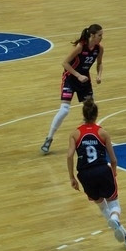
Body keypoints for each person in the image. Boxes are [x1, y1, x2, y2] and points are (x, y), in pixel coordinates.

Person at [67, 98, 126, 249]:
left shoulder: (75, 134)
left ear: (83, 114)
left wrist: (72, 177)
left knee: (103, 207)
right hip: (102, 170)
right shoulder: (103, 133)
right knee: (114, 206)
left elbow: (69, 156)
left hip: (84, 174)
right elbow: (114, 159)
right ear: (96, 115)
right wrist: (114, 172)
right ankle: (115, 219)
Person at [41, 24, 104, 154]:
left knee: (90, 108)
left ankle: (89, 136)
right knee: (64, 110)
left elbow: (99, 63)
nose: (101, 37)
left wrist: (99, 75)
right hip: (70, 78)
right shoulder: (80, 46)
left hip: (84, 80)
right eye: (99, 35)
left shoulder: (99, 48)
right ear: (92, 35)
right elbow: (64, 63)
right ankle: (49, 138)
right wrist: (78, 75)